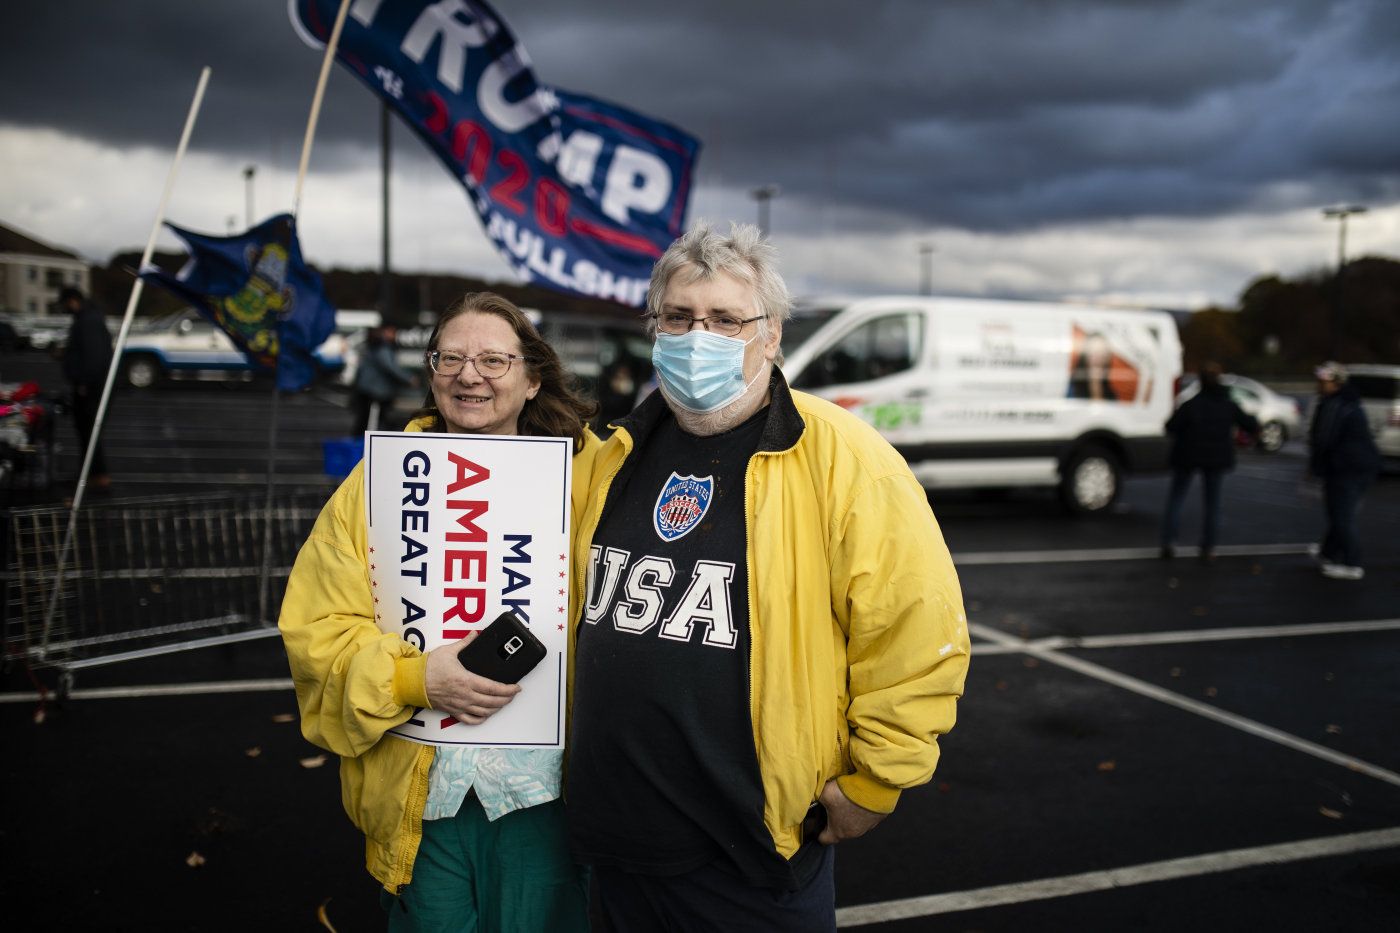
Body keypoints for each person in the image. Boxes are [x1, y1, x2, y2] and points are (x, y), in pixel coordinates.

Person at [566, 222, 971, 931]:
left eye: (726, 319)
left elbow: (917, 624)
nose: (700, 336)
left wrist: (876, 780)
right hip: (616, 844)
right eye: (680, 317)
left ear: (772, 333)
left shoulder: (845, 456)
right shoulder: (611, 455)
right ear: (654, 329)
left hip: (751, 859)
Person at [279, 293, 598, 931]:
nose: (468, 374)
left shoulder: (592, 482)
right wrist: (412, 679)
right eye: (449, 357)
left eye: (493, 360)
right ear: (430, 373)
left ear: (534, 379)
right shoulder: (375, 486)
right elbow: (317, 634)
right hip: (426, 801)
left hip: (549, 798)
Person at [1159, 362, 1259, 562]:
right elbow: (1250, 424)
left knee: (1177, 499)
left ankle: (1169, 542)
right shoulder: (1227, 404)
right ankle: (1209, 547)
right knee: (1212, 504)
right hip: (1215, 458)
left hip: (1187, 456)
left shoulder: (1192, 405)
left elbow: (1171, 426)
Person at [1308, 361, 1381, 581]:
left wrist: (1315, 468)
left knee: (1342, 515)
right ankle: (1328, 553)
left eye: (1324, 381)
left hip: (1347, 468)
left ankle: (1352, 562)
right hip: (1356, 466)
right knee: (1338, 512)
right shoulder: (1347, 402)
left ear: (1336, 383)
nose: (1319, 385)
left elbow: (1323, 438)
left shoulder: (1335, 405)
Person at [59, 287, 113, 491]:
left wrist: (83, 382)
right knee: (87, 431)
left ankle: (98, 474)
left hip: (91, 386)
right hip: (91, 384)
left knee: (90, 430)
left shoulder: (88, 321)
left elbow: (94, 356)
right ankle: (90, 473)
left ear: (72, 301)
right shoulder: (89, 318)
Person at [351, 325, 414, 434]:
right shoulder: (383, 347)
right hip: (375, 391)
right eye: (392, 332)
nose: (394, 335)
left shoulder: (375, 345)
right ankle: (363, 444)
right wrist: (409, 378)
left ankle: (359, 443)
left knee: (366, 419)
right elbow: (390, 367)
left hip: (369, 388)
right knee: (372, 419)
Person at [1066, 331, 1119, 401]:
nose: (1097, 357)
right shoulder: (1071, 387)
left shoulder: (1111, 394)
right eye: (1093, 351)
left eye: (1102, 352)